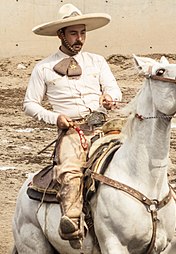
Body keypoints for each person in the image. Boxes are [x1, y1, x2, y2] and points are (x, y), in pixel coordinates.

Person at [24, 3, 122, 248]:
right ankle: (72, 221)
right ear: (61, 35)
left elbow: (113, 89)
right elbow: (29, 104)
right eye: (73, 33)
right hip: (72, 133)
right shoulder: (43, 68)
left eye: (83, 33)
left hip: (103, 128)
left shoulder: (97, 61)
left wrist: (110, 98)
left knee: (139, 156)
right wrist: (55, 118)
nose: (80, 39)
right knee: (69, 170)